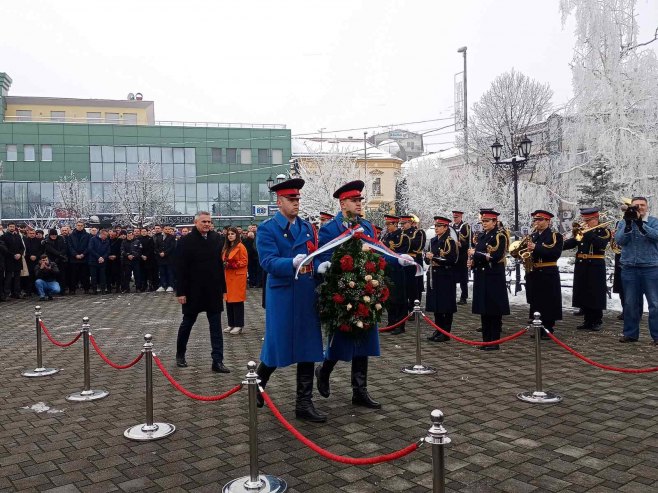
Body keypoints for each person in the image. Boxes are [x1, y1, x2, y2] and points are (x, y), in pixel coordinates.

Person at [315, 180, 394, 410]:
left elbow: (379, 253)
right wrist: (327, 268)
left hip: (366, 290)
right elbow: (321, 257)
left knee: (365, 341)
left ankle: (360, 391)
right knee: (341, 339)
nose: (360, 204)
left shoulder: (367, 227)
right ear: (342, 204)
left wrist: (398, 259)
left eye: (360, 200)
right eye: (354, 200)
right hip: (341, 292)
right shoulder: (330, 228)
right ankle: (324, 370)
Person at [256, 178, 326, 422]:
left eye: (297, 199)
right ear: (279, 201)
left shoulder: (306, 227)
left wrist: (320, 266)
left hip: (305, 292)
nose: (296, 204)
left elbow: (312, 255)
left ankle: (304, 404)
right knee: (278, 344)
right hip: (283, 293)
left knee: (307, 346)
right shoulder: (267, 228)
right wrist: (291, 263)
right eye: (291, 199)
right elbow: (267, 261)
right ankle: (258, 382)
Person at [175, 211, 230, 373]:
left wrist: (223, 289)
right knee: (187, 323)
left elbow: (220, 267)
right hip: (193, 290)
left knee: (216, 327)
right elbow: (180, 268)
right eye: (203, 221)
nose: (207, 224)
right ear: (196, 223)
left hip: (213, 290)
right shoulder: (186, 241)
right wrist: (181, 292)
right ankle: (180, 354)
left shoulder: (217, 239)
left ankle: (218, 361)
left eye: (209, 222)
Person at [614, 196, 658, 344]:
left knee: (655, 303)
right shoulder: (623, 222)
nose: (640, 208)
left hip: (651, 268)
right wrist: (628, 224)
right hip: (629, 268)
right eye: (636, 205)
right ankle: (630, 334)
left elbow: (656, 236)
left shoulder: (654, 222)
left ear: (647, 207)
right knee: (630, 303)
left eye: (642, 205)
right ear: (631, 207)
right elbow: (619, 241)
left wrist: (640, 225)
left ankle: (657, 336)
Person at [467, 209, 509, 350]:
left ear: (495, 222)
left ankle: (494, 342)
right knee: (484, 310)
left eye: (487, 221)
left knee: (493, 310)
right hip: (482, 275)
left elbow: (495, 256)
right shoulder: (483, 236)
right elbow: (481, 255)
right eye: (483, 221)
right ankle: (486, 341)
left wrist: (476, 254)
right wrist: (473, 262)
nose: (484, 223)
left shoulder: (500, 236)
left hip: (493, 276)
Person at [562, 207, 610, 331]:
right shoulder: (581, 231)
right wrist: (558, 244)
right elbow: (573, 243)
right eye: (584, 219)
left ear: (596, 219)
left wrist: (587, 232)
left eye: (588, 220)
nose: (585, 222)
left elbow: (600, 244)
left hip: (595, 263)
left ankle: (596, 320)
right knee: (584, 291)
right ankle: (587, 320)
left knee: (595, 292)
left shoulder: (603, 231)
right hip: (582, 263)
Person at [525, 210, 563, 338]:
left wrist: (536, 247)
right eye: (535, 220)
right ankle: (538, 327)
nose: (537, 222)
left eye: (540, 220)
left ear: (548, 221)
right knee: (536, 301)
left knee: (548, 300)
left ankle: (548, 329)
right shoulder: (533, 236)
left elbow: (555, 253)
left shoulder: (555, 236)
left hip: (548, 271)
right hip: (534, 271)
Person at [426, 216, 458, 342]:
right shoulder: (433, 240)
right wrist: (428, 257)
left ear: (445, 228)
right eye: (436, 226)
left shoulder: (449, 241)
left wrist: (433, 257)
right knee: (436, 305)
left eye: (439, 226)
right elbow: (427, 257)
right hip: (434, 275)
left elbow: (451, 259)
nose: (436, 228)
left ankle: (445, 331)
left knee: (445, 305)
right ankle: (438, 329)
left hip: (445, 275)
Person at [381, 214, 410, 335]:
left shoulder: (402, 237)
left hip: (398, 271)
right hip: (387, 270)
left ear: (395, 224)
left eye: (389, 224)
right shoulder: (386, 236)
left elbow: (401, 255)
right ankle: (391, 322)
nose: (387, 227)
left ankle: (400, 324)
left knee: (399, 299)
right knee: (389, 298)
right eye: (386, 224)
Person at [222, 226, 248, 335]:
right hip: (228, 276)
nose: (230, 236)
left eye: (232, 234)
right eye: (229, 234)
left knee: (237, 301)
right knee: (229, 301)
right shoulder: (227, 247)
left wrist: (234, 264)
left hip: (237, 277)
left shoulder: (241, 246)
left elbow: (245, 261)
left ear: (236, 235)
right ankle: (231, 324)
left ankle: (238, 325)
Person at [451, 210, 471, 305]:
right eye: (454, 217)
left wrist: (461, 244)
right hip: (454, 255)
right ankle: (452, 295)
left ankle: (464, 297)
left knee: (463, 277)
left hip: (462, 255)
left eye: (457, 217)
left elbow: (470, 241)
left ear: (461, 217)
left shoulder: (466, 227)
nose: (455, 219)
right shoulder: (451, 227)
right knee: (453, 277)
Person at [3, 222, 25, 299]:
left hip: (18, 259)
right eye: (10, 226)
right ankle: (6, 294)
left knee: (17, 278)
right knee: (8, 278)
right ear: (8, 227)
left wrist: (20, 254)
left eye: (13, 226)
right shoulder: (4, 236)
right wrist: (13, 255)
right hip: (9, 259)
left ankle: (16, 293)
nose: (12, 228)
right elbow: (4, 249)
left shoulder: (18, 236)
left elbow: (22, 247)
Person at [154, 225, 176, 292]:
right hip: (160, 258)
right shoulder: (159, 237)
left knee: (169, 272)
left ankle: (170, 285)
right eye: (166, 229)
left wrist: (165, 253)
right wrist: (159, 253)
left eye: (169, 229)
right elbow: (156, 247)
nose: (168, 230)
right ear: (163, 230)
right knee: (162, 272)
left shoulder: (172, 237)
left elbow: (172, 247)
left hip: (169, 258)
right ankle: (162, 285)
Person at [88, 229, 110, 294]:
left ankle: (103, 289)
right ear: (101, 234)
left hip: (102, 261)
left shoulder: (107, 241)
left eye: (107, 235)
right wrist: (99, 257)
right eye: (105, 235)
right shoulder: (93, 239)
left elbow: (108, 251)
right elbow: (90, 249)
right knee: (93, 276)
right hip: (93, 261)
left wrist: (103, 257)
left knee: (102, 276)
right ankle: (94, 289)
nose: (106, 236)